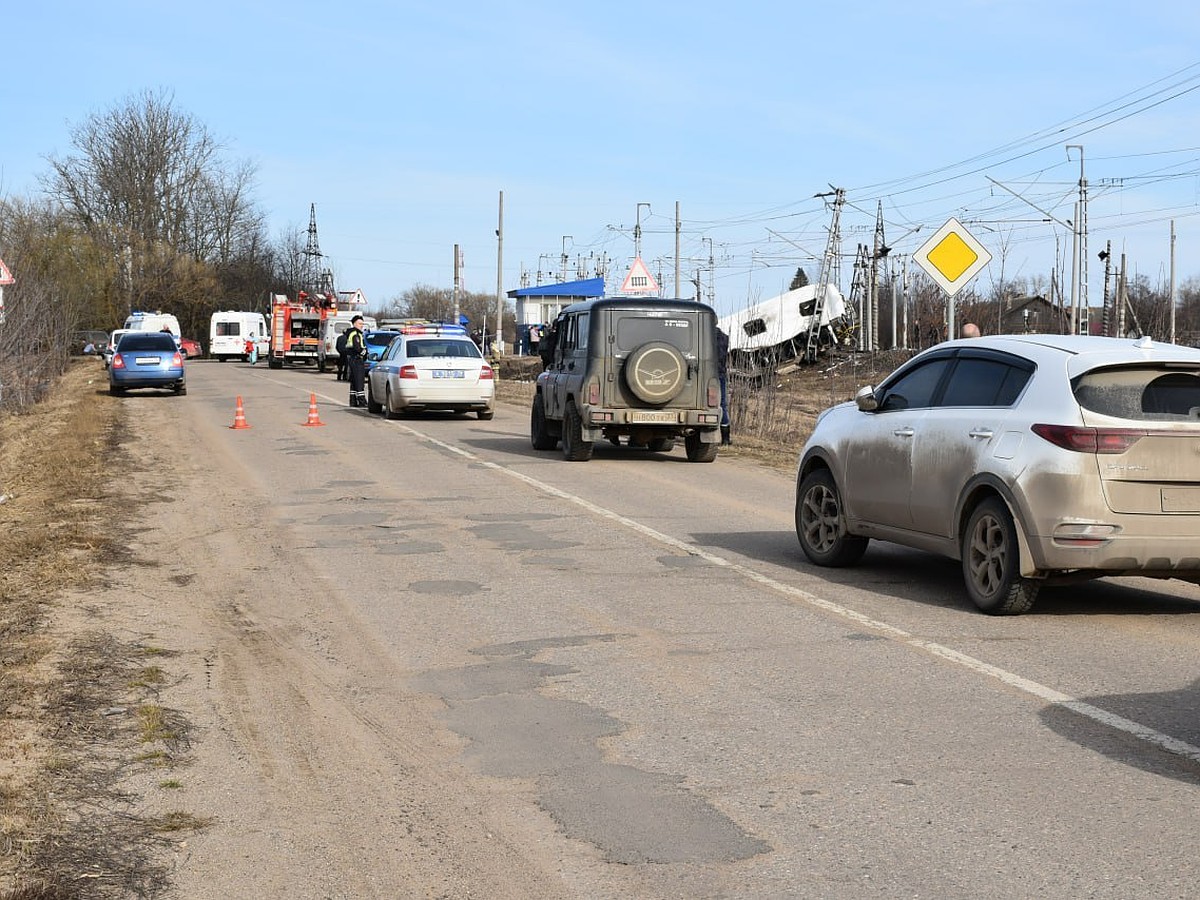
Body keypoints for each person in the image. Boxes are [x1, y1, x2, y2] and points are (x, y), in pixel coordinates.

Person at [344, 315, 368, 407]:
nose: (361, 325)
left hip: (352, 359)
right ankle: (362, 402)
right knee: (359, 380)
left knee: (354, 381)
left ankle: (353, 401)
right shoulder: (355, 334)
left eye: (362, 323)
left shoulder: (352, 333)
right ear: (354, 323)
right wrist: (364, 352)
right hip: (357, 359)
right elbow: (357, 347)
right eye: (360, 323)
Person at [715, 325, 732, 445]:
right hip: (720, 373)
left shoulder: (703, 336)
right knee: (722, 404)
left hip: (705, 374)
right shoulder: (724, 338)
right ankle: (725, 439)